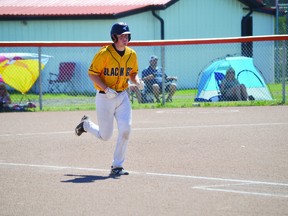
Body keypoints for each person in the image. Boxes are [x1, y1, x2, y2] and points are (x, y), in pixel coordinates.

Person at [74, 22, 144, 176]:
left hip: (122, 96)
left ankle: (117, 165)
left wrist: (137, 81)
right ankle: (86, 125)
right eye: (121, 36)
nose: (125, 38)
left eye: (127, 35)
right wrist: (106, 88)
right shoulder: (104, 54)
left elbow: (133, 73)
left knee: (126, 129)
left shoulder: (131, 54)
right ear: (114, 37)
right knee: (105, 136)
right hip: (105, 97)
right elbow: (92, 73)